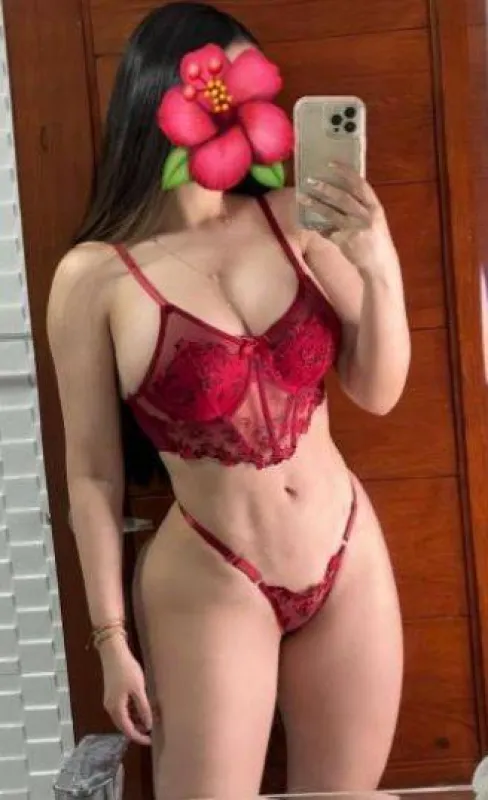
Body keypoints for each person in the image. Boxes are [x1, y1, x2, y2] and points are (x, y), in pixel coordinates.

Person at [47, 3, 410, 798]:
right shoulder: (93, 278)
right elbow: (94, 477)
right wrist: (109, 639)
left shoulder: (295, 220)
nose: (246, 108)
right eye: (226, 88)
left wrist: (378, 265)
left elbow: (378, 391)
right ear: (161, 96)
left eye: (253, 90)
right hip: (213, 576)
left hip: (346, 555)